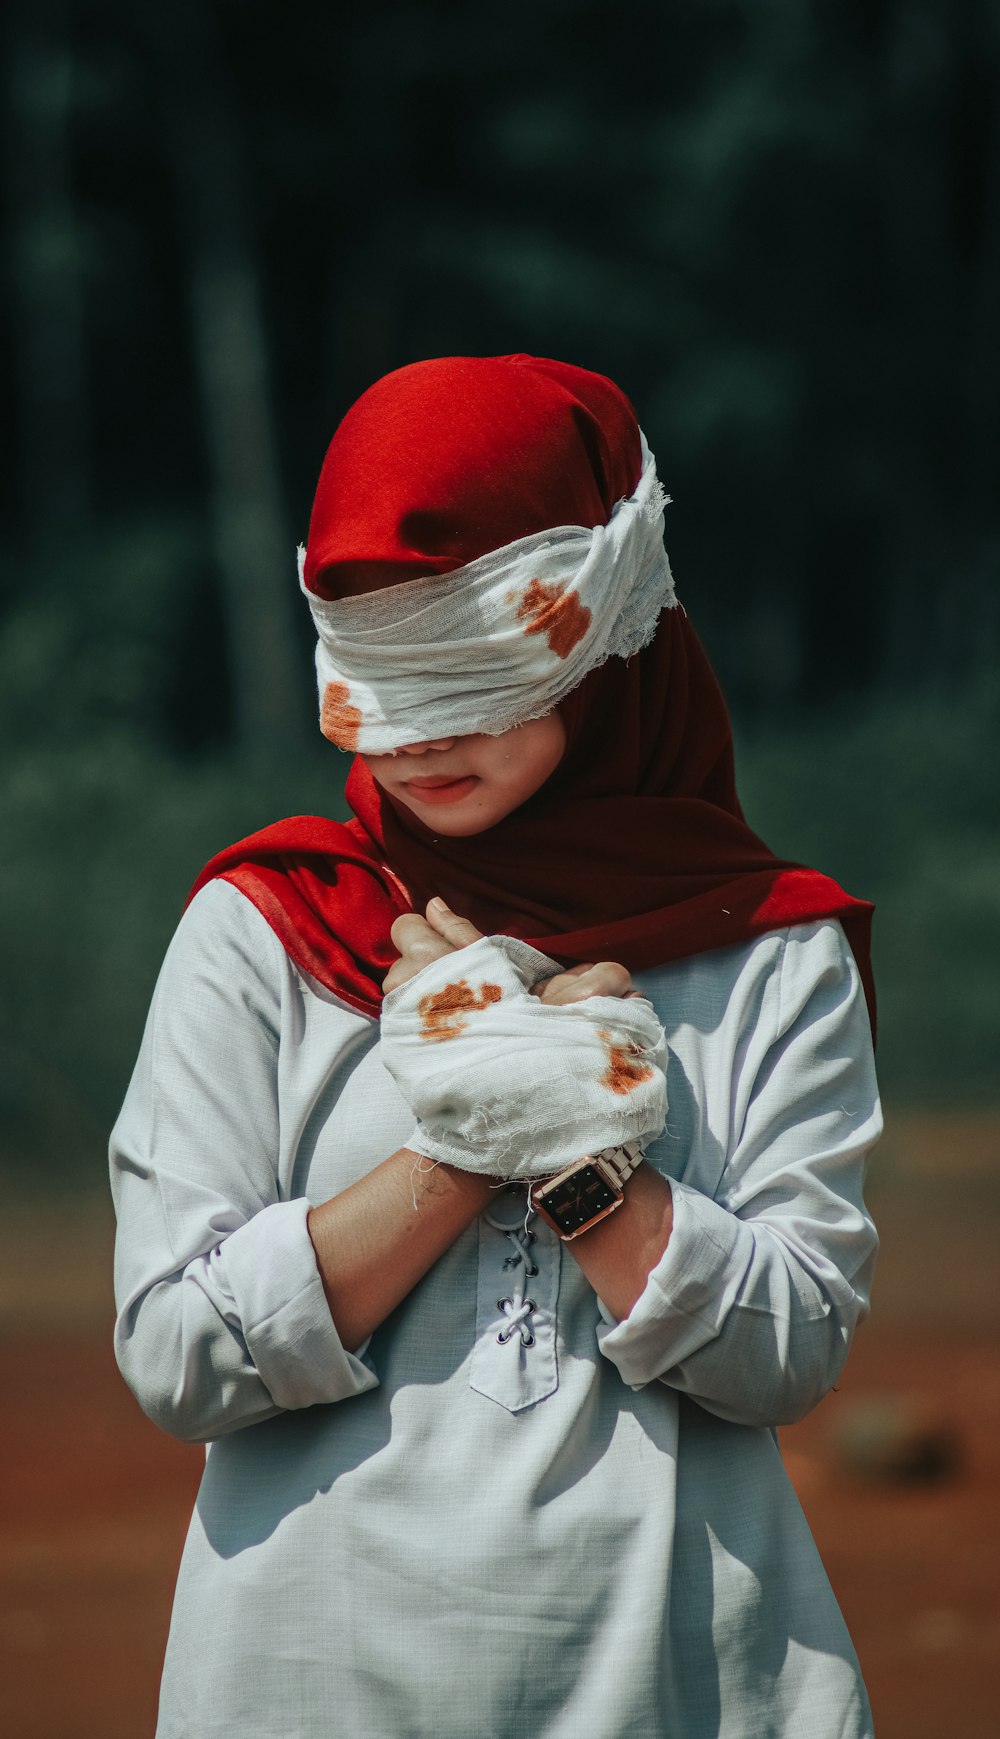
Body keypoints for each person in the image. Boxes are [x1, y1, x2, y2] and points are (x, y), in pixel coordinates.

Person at [110, 354, 881, 1739]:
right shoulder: (266, 931)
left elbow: (793, 1354)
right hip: (304, 1684)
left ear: (609, 623)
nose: (418, 737)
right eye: (376, 680)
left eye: (468, 668)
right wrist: (472, 1125)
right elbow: (178, 1355)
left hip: (679, 1682)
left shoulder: (770, 950)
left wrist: (582, 1154)